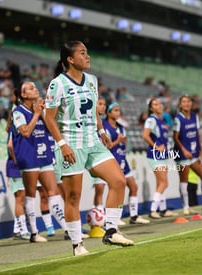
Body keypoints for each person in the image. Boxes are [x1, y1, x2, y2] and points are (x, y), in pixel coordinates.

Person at [44, 40, 134, 256]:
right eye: (83, 53)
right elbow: (49, 118)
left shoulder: (92, 81)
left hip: (93, 142)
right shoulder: (58, 84)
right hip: (71, 145)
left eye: (88, 53)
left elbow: (94, 110)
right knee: (73, 197)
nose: (88, 56)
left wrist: (102, 131)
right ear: (70, 59)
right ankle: (77, 245)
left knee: (119, 181)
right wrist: (62, 144)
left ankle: (111, 230)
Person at [12, 81, 67, 243]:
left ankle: (67, 229)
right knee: (30, 195)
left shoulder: (39, 111)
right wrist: (36, 114)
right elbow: (26, 132)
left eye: (35, 87)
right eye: (30, 88)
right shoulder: (18, 112)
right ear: (23, 95)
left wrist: (42, 112)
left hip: (44, 157)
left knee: (53, 192)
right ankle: (34, 233)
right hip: (29, 159)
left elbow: (51, 129)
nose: (35, 89)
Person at [173, 95, 202, 216]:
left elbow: (197, 134)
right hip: (182, 155)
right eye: (184, 101)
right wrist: (183, 150)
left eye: (188, 101)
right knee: (184, 180)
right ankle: (186, 207)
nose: (187, 103)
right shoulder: (178, 118)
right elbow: (175, 137)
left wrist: (200, 150)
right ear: (180, 105)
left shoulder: (195, 116)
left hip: (193, 153)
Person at [104, 102, 150, 224]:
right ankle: (114, 218)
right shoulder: (104, 127)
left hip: (123, 160)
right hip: (113, 162)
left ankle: (134, 216)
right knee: (116, 189)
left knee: (133, 187)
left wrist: (123, 143)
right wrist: (117, 141)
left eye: (119, 110)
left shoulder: (120, 127)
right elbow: (106, 147)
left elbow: (124, 142)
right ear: (108, 113)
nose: (118, 113)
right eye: (115, 110)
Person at [142, 98, 179, 219]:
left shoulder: (161, 120)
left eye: (160, 103)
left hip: (162, 156)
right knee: (164, 183)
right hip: (155, 155)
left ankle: (163, 209)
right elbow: (145, 135)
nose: (159, 106)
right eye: (155, 104)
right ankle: (153, 210)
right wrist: (156, 147)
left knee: (160, 183)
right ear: (151, 108)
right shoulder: (151, 120)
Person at [6, 112, 30, 240]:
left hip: (16, 167)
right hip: (16, 167)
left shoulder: (12, 129)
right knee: (20, 199)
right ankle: (23, 230)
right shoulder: (15, 129)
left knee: (22, 199)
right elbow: (10, 145)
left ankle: (17, 229)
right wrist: (17, 160)